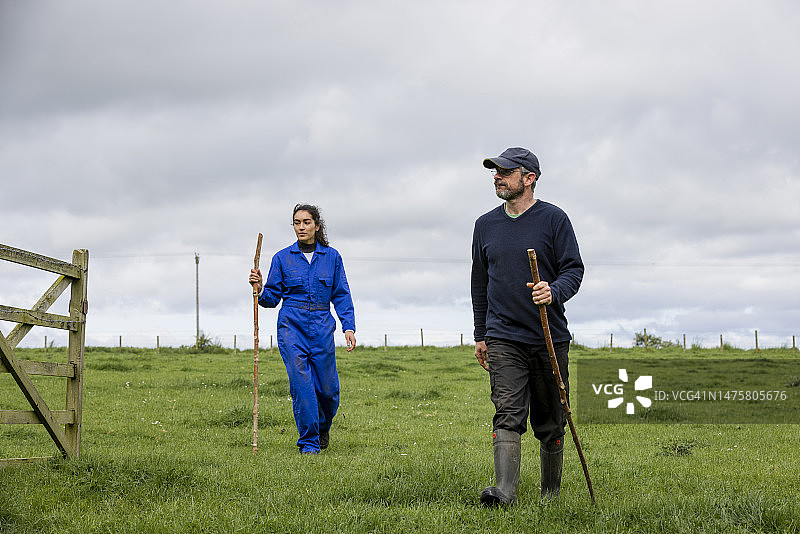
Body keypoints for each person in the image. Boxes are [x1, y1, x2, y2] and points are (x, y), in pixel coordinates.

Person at [471, 147, 584, 505]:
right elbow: (479, 283)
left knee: (551, 419)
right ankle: (504, 492)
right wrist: (481, 334)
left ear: (529, 178)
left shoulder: (554, 220)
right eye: (494, 171)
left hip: (548, 336)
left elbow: (574, 270)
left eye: (504, 171)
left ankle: (550, 495)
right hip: (503, 337)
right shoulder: (484, 225)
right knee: (507, 410)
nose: (496, 177)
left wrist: (553, 291)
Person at [249, 204, 356, 455]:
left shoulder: (332, 257)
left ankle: (321, 427)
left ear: (317, 226)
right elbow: (271, 299)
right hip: (291, 327)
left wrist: (348, 326)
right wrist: (260, 287)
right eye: (297, 223)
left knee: (329, 391)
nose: (301, 227)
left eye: (306, 222)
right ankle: (309, 444)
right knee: (302, 386)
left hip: (321, 325)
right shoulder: (282, 258)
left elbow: (341, 294)